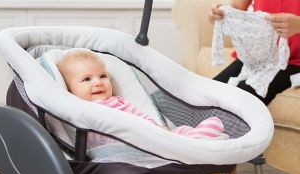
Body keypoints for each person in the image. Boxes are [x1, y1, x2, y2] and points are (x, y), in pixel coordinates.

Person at [57, 50, 227, 140]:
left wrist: (158, 128)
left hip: (150, 133)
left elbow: (141, 116)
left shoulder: (119, 101)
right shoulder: (82, 109)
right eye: (86, 79)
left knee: (184, 130)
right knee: (180, 138)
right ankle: (196, 143)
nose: (98, 83)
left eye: (102, 76)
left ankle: (195, 138)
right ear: (70, 89)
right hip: (131, 141)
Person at [209, 0, 300, 104]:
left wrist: (298, 24)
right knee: (210, 91)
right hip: (257, 55)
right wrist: (221, 14)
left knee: (241, 97)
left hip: (295, 61)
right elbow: (237, 6)